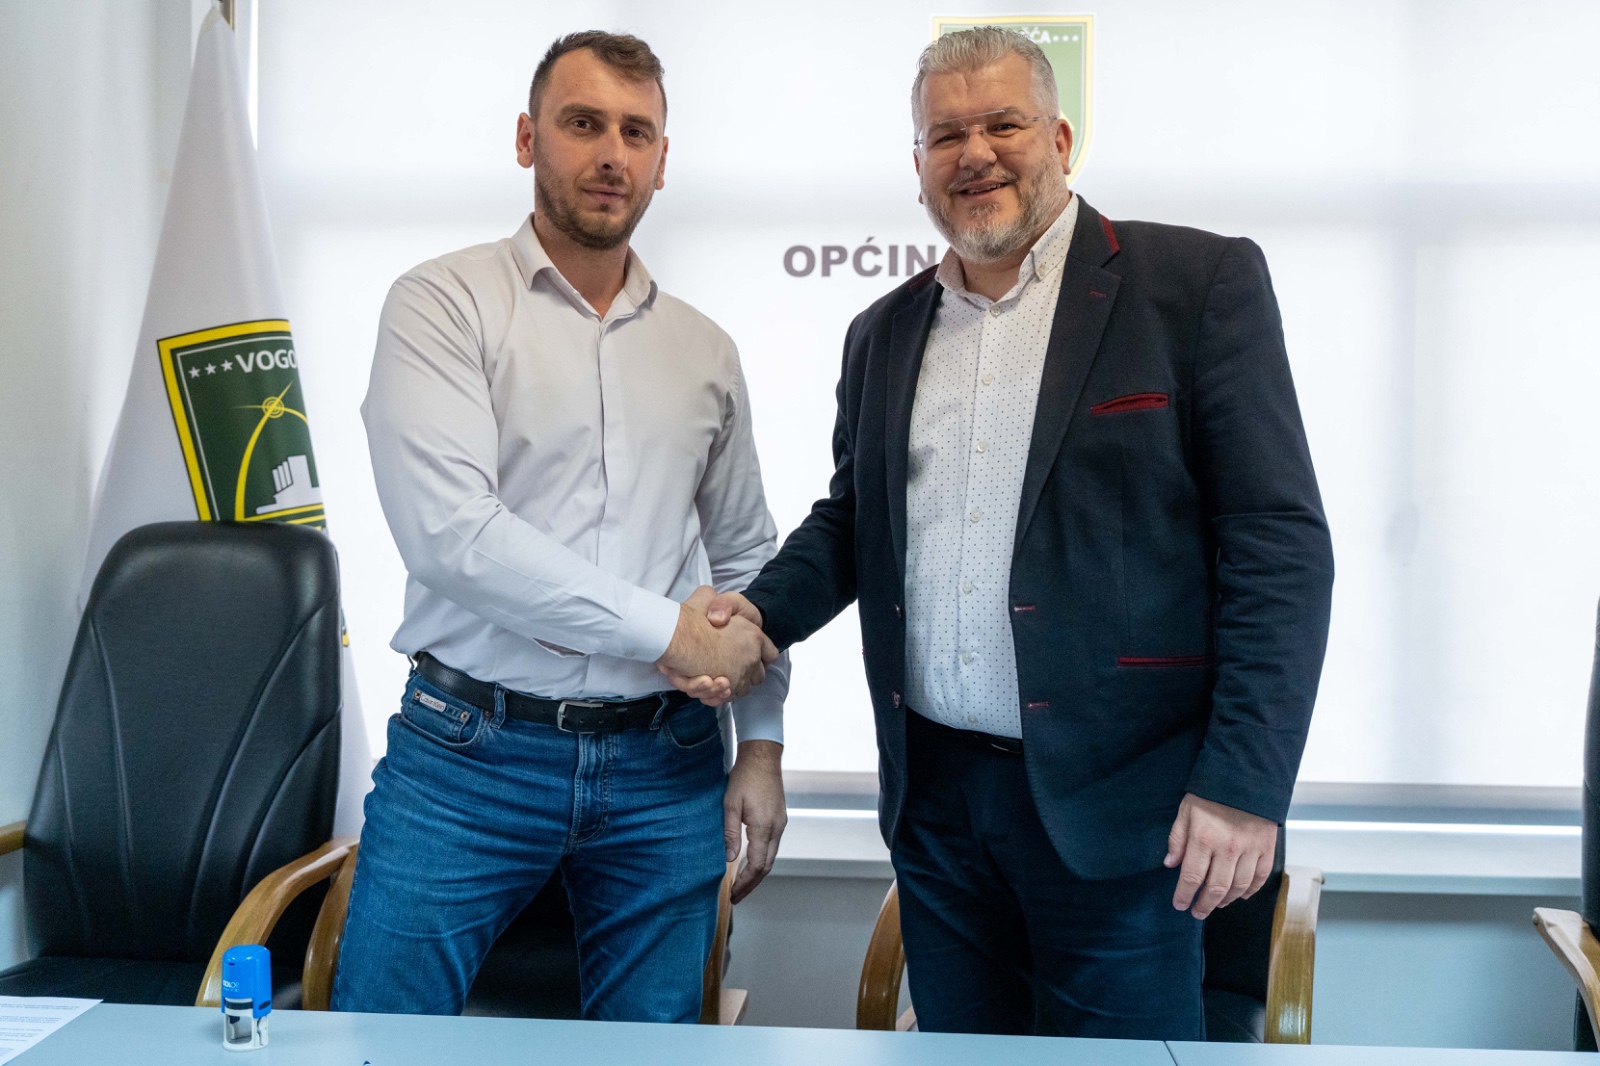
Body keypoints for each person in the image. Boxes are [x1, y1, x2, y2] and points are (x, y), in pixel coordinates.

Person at [674, 27, 1334, 1039]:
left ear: (1060, 139)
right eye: (946, 136)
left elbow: (1277, 545)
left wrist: (1242, 786)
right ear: (918, 166)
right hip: (939, 806)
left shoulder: (1195, 286)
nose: (974, 153)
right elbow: (855, 522)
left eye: (1003, 125)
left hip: (1125, 811)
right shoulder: (883, 331)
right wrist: (756, 616)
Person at [339, 30, 787, 1022]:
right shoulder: (441, 305)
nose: (611, 154)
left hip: (666, 766)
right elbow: (455, 536)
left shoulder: (704, 349)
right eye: (583, 124)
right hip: (468, 757)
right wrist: (669, 632)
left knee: (650, 1051)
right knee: (380, 1033)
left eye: (636, 132)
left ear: (662, 160)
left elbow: (750, 557)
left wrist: (760, 745)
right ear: (525, 138)